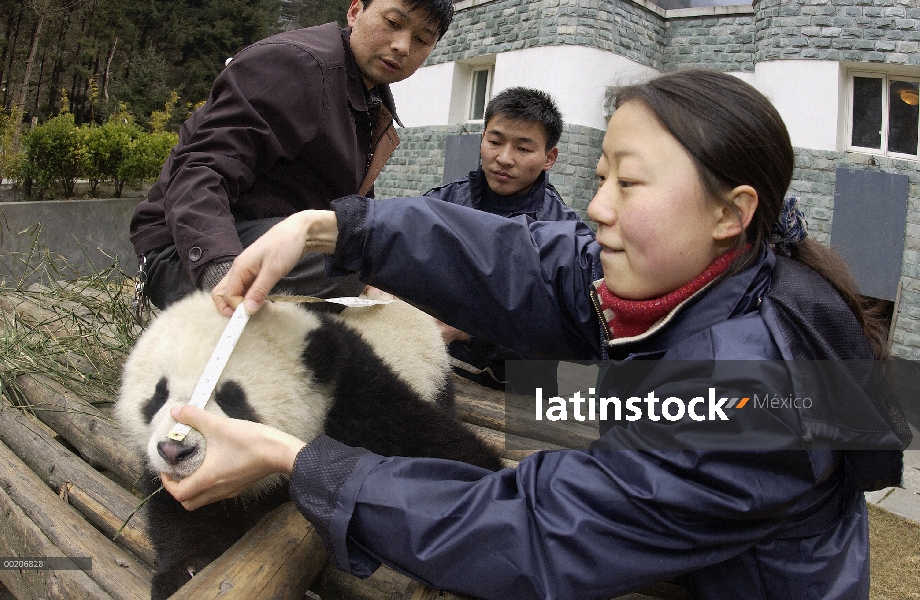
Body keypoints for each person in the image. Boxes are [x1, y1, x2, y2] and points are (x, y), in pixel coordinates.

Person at [164, 70, 909, 599]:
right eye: (602, 176)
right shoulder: (712, 273)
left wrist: (298, 460)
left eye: (630, 183)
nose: (598, 208)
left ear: (729, 211)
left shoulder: (750, 394)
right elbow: (529, 263)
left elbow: (528, 533)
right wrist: (331, 228)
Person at [129, 0, 454, 309]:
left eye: (422, 39)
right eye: (393, 23)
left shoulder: (369, 105)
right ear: (355, 11)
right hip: (182, 253)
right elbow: (201, 171)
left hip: (270, 244)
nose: (402, 46)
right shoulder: (295, 65)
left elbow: (354, 216)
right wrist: (220, 270)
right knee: (350, 264)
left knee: (389, 257)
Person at [429, 86, 589, 393]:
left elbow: (566, 347)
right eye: (495, 142)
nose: (504, 158)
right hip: (432, 367)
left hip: (510, 392)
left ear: (549, 157)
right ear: (482, 140)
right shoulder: (441, 205)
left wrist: (468, 333)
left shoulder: (567, 238)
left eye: (524, 149)